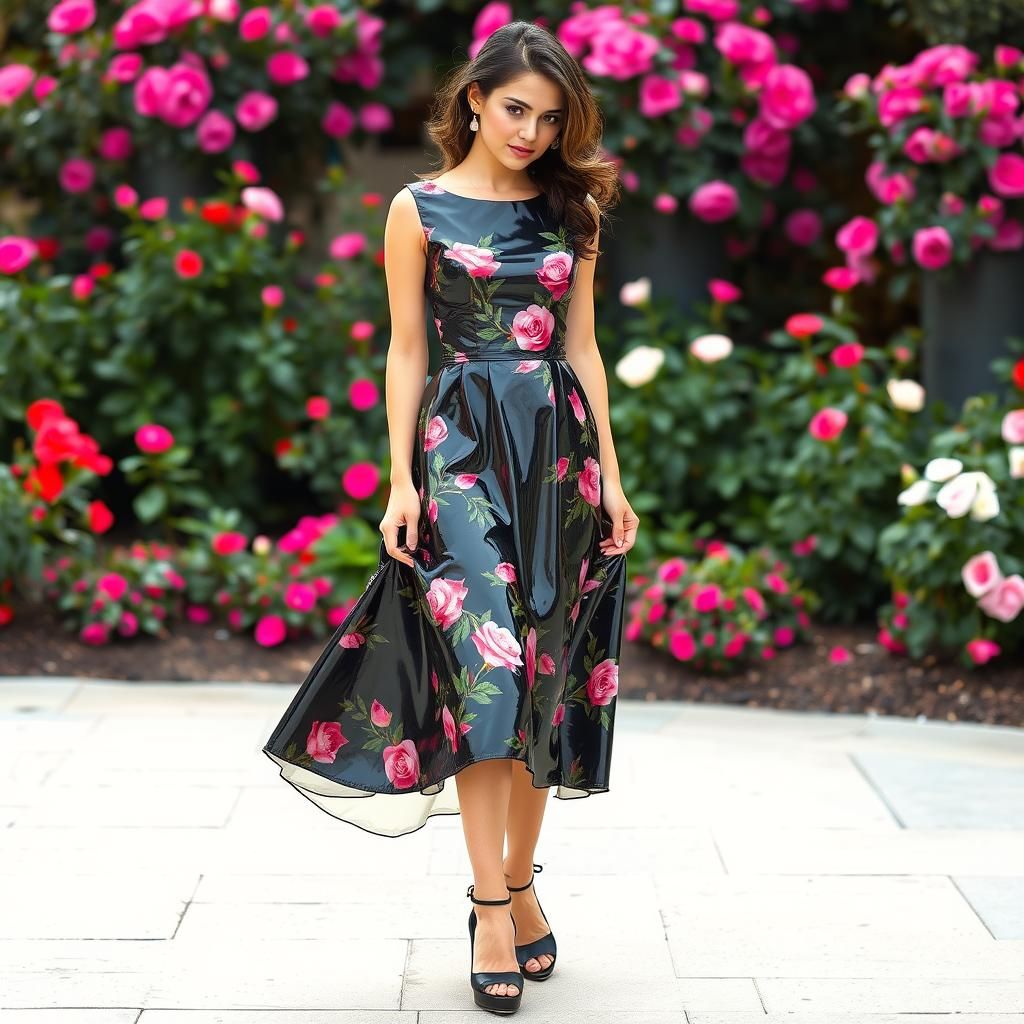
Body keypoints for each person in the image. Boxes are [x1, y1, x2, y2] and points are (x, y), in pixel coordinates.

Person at [263, 18, 638, 1015]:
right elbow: (404, 350)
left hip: (555, 454)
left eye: (549, 117)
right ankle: (484, 903)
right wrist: (398, 479)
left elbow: (586, 348)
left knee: (544, 678)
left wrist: (613, 471)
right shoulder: (416, 208)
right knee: (491, 669)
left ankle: (519, 884)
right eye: (515, 108)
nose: (529, 131)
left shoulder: (573, 211)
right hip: (460, 449)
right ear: (474, 100)